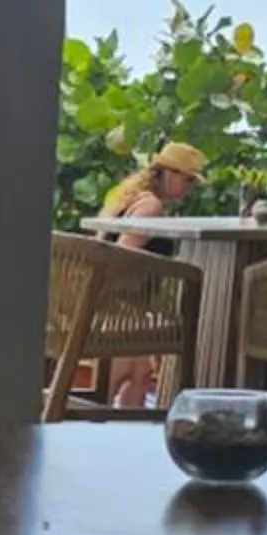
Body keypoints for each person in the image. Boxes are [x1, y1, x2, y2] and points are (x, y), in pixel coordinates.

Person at [97, 140, 207, 407]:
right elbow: (122, 258)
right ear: (169, 173)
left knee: (141, 373)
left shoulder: (132, 196)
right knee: (122, 374)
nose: (189, 188)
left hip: (116, 303)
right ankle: (94, 422)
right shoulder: (151, 207)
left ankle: (123, 431)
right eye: (188, 180)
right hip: (121, 306)